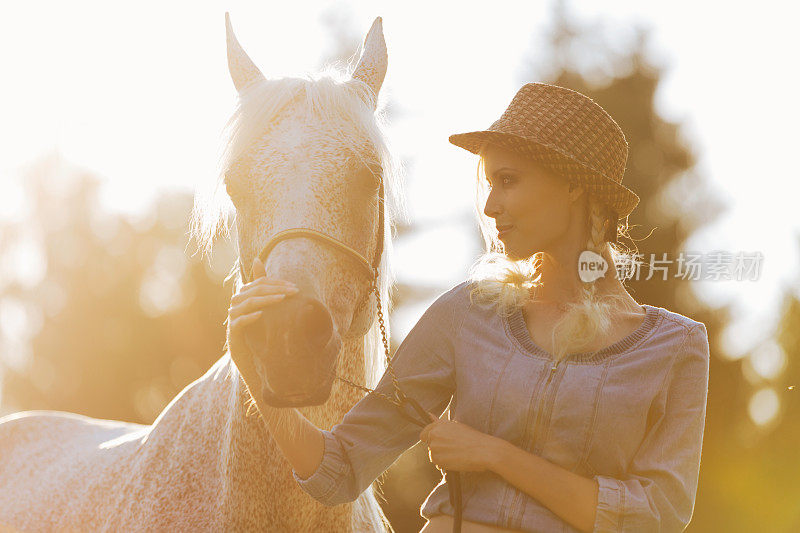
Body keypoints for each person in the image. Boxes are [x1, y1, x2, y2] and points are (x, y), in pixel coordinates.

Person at [227, 82, 711, 532]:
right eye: (489, 183)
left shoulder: (676, 348)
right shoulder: (467, 313)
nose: (490, 205)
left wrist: (495, 455)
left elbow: (655, 516)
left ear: (573, 185)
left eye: (508, 180)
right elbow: (339, 471)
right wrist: (254, 371)